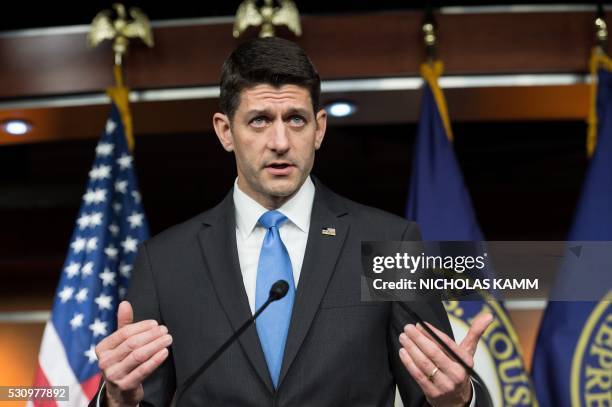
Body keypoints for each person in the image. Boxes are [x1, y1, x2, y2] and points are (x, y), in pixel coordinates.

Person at [91, 37, 492, 407]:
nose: (280, 141)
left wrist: (460, 398)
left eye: (296, 119)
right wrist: (115, 400)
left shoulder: (391, 242)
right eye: (260, 120)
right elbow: (139, 397)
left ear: (319, 128)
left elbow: (435, 392)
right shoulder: (165, 262)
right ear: (225, 131)